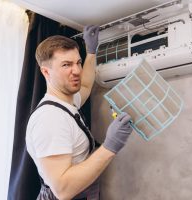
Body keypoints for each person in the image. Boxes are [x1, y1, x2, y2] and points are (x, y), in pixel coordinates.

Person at [26, 25, 133, 200]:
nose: (76, 71)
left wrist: (90, 52)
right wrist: (110, 146)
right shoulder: (50, 119)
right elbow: (63, 190)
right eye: (66, 65)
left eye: (78, 63)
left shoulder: (66, 101)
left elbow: (85, 85)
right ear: (46, 72)